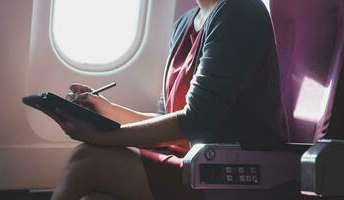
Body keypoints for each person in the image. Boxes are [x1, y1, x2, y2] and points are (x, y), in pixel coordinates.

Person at [50, 0, 287, 199]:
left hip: (234, 172)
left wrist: (100, 137)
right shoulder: (184, 24)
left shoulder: (240, 12)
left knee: (87, 160)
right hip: (197, 162)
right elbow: (169, 121)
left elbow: (196, 122)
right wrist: (105, 109)